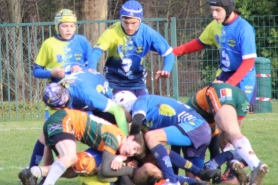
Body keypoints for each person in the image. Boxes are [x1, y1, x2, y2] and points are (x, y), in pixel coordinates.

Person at [29, 8, 96, 169]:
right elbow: (36, 70)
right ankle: (32, 169)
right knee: (46, 137)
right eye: (64, 26)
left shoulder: (81, 41)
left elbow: (92, 66)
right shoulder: (49, 44)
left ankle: (97, 165)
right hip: (57, 98)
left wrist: (82, 69)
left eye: (71, 26)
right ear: (57, 26)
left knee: (93, 131)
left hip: (80, 96)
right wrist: (50, 72)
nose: (68, 29)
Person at [18, 108, 146, 185]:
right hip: (65, 120)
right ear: (129, 138)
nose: (131, 152)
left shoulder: (117, 137)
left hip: (58, 120)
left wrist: (121, 158)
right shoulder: (115, 137)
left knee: (76, 167)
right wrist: (132, 170)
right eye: (134, 148)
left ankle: (34, 172)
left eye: (134, 154)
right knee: (71, 158)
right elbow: (105, 171)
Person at [114, 91, 215, 185]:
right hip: (200, 129)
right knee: (197, 180)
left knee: (151, 136)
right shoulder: (149, 116)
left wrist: (128, 151)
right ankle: (199, 172)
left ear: (123, 107)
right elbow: (159, 149)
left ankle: (171, 180)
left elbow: (136, 123)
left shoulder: (139, 102)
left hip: (195, 126)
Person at [173, 0, 257, 106]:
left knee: (230, 116)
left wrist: (228, 84)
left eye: (217, 10)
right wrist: (174, 52)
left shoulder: (244, 29)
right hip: (224, 75)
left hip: (242, 77)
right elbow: (200, 43)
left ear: (228, 9)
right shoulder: (215, 25)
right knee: (206, 109)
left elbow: (249, 62)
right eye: (212, 10)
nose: (214, 14)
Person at [185, 82, 268, 185]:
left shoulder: (189, 120)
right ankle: (235, 167)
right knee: (231, 138)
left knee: (233, 134)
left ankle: (255, 165)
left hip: (219, 92)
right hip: (241, 96)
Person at [90, 0, 175, 97]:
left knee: (142, 108)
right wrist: (91, 69)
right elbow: (96, 52)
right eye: (125, 22)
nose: (129, 27)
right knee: (112, 110)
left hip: (137, 82)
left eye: (133, 23)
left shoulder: (148, 33)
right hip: (113, 81)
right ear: (121, 19)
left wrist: (166, 70)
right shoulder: (111, 31)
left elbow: (169, 53)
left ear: (140, 20)